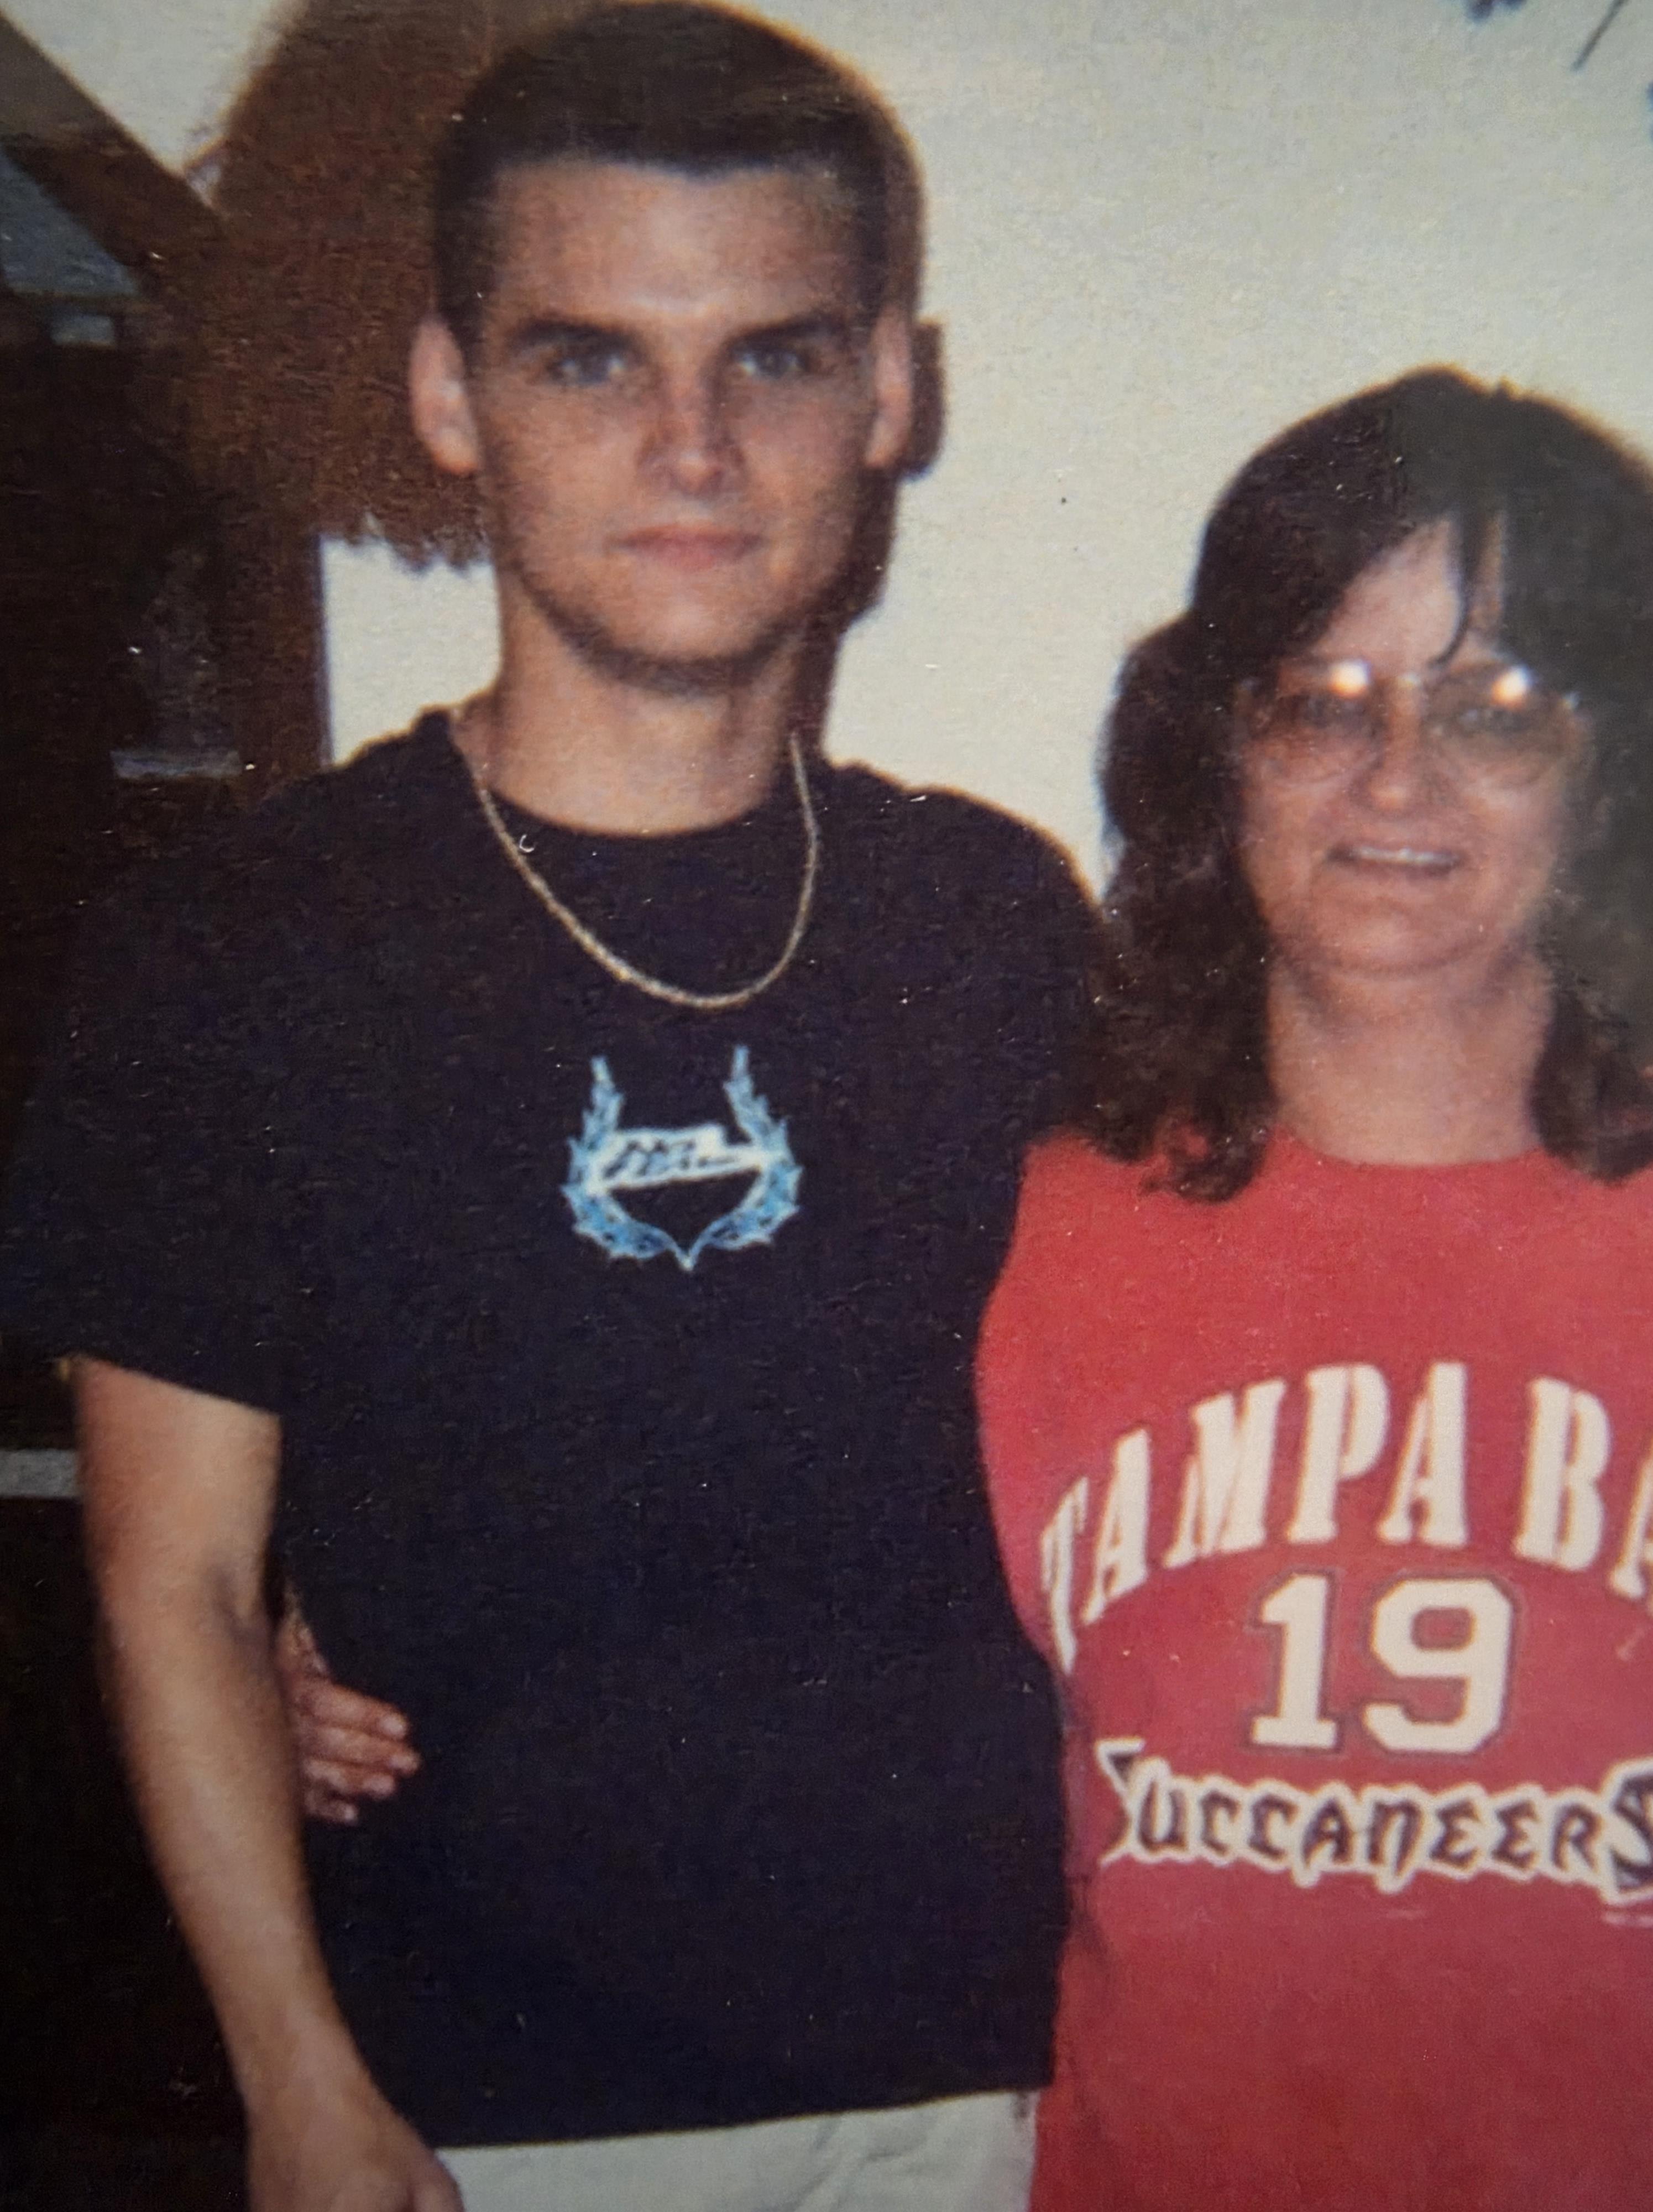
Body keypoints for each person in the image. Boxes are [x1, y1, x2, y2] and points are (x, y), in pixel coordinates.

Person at [0, 8, 1096, 2209]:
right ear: (449, 394)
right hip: (476, 2106)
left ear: (890, 391)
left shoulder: (993, 911)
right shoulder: (238, 951)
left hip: (1009, 2073)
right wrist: (298, 2076)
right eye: (591, 359)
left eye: (773, 359)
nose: (691, 447)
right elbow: (178, 1583)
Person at [977, 366, 1653, 2211]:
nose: (1395, 781)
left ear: (1610, 775)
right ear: (1218, 750)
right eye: (1317, 703)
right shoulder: (1032, 1230)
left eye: (1496, 711)